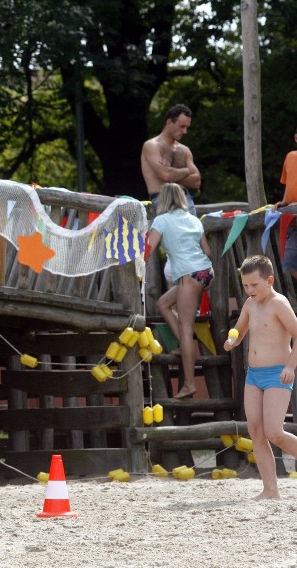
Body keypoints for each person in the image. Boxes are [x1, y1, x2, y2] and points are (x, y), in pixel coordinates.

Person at [224, 255, 297, 499]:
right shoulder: (249, 304)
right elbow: (240, 330)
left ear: (269, 280)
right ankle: (270, 489)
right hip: (254, 375)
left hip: (278, 373)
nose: (249, 290)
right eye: (245, 285)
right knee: (255, 430)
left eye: (254, 285)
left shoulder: (280, 303)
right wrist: (233, 340)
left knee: (274, 431)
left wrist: (290, 367)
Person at [147, 183, 213, 399]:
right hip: (205, 272)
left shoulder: (161, 220)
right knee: (164, 304)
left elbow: (148, 248)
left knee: (187, 327)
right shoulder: (194, 219)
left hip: (187, 274)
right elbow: (208, 250)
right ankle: (180, 345)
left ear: (163, 199)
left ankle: (190, 384)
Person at [141, 103, 201, 215]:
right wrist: (186, 171)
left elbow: (197, 181)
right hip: (163, 199)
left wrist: (172, 172)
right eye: (182, 126)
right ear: (169, 122)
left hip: (186, 199)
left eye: (187, 127)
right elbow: (165, 175)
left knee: (194, 232)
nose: (185, 132)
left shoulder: (184, 150)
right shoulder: (152, 145)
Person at [274, 126, 297, 281]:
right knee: (289, 260)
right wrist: (283, 202)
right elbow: (288, 184)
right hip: (293, 219)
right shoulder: (290, 156)